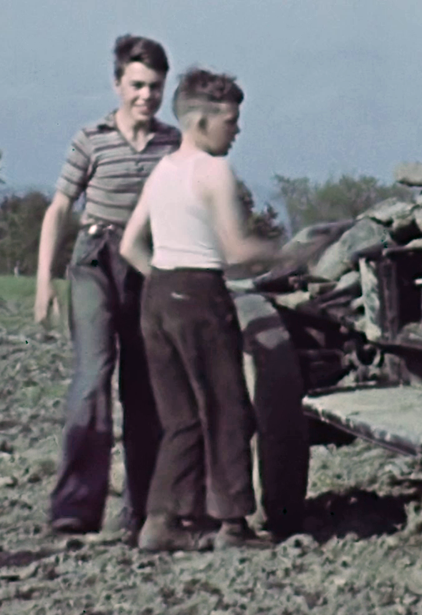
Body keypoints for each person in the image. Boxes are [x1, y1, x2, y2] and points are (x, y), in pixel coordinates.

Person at [120, 67, 293, 551]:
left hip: (158, 297)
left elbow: (130, 245)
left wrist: (164, 280)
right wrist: (288, 254)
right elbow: (235, 251)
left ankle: (162, 521)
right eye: (230, 121)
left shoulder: (164, 169)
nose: (236, 130)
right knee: (228, 410)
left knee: (180, 416)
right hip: (199, 294)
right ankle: (233, 526)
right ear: (200, 122)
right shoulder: (214, 170)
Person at [36, 35, 181, 542]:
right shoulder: (91, 138)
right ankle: (75, 507)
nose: (146, 95)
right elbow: (59, 209)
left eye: (155, 87)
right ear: (118, 84)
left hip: (148, 267)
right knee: (92, 378)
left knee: (145, 390)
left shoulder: (172, 144)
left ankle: (142, 511)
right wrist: (44, 283)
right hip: (95, 262)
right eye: (137, 85)